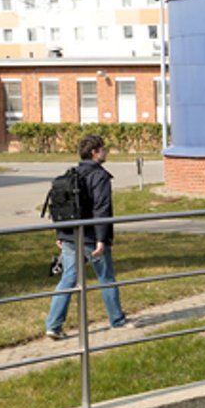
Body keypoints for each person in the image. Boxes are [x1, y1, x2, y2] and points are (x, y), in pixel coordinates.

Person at [45, 133, 128, 340]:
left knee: (68, 279)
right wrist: (102, 239)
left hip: (70, 235)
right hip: (91, 238)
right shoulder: (99, 176)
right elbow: (102, 209)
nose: (106, 151)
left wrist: (60, 234)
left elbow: (61, 206)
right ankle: (117, 320)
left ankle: (53, 325)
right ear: (94, 152)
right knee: (106, 278)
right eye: (103, 149)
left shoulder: (72, 174)